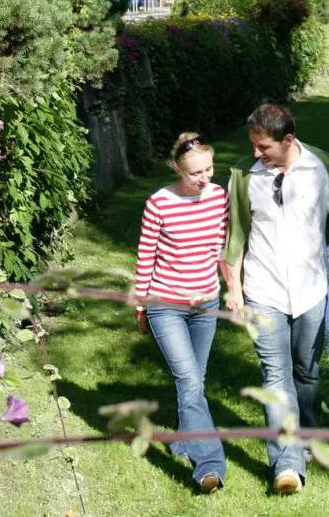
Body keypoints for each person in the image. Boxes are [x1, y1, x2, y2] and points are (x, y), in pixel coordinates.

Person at [221, 103, 329, 495]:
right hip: (263, 291)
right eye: (252, 145)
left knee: (307, 373)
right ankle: (287, 464)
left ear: (287, 140)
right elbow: (232, 240)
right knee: (276, 375)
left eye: (263, 146)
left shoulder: (326, 169)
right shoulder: (244, 178)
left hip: (311, 290)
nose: (256, 153)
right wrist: (234, 290)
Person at [134, 132, 229, 493]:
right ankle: (209, 465)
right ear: (177, 167)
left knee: (195, 382)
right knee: (189, 382)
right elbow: (145, 258)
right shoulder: (159, 203)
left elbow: (222, 249)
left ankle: (181, 440)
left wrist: (232, 287)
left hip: (206, 304)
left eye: (209, 169)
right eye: (195, 173)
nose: (204, 178)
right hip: (166, 305)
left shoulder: (219, 197)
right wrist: (141, 305)